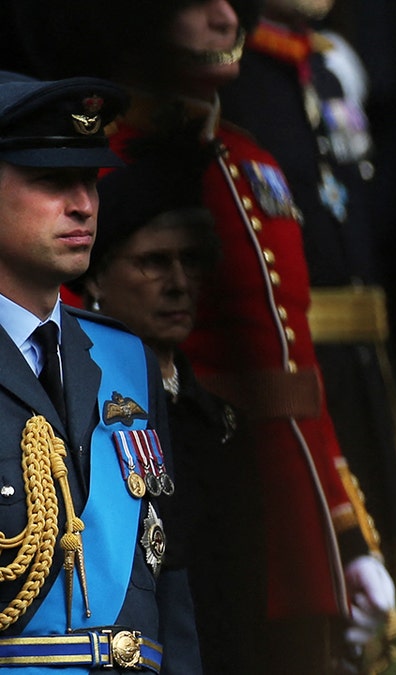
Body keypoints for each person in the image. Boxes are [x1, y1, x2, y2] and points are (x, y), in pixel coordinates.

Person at [8, 1, 396, 671]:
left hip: (272, 506)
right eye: (197, 4)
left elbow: (295, 369)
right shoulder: (114, 174)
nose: (226, 19)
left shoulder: (250, 161)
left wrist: (345, 530)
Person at [218, 2, 396, 667]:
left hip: (354, 370)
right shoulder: (234, 76)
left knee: (368, 610)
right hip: (288, 366)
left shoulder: (323, 67)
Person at [0, 71, 201, 671]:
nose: (83, 204)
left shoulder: (127, 360)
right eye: (51, 181)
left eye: (89, 180)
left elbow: (171, 587)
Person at [67, 134, 246, 673]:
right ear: (96, 275)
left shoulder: (221, 420)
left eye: (191, 262)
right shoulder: (78, 408)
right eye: (153, 263)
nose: (178, 284)